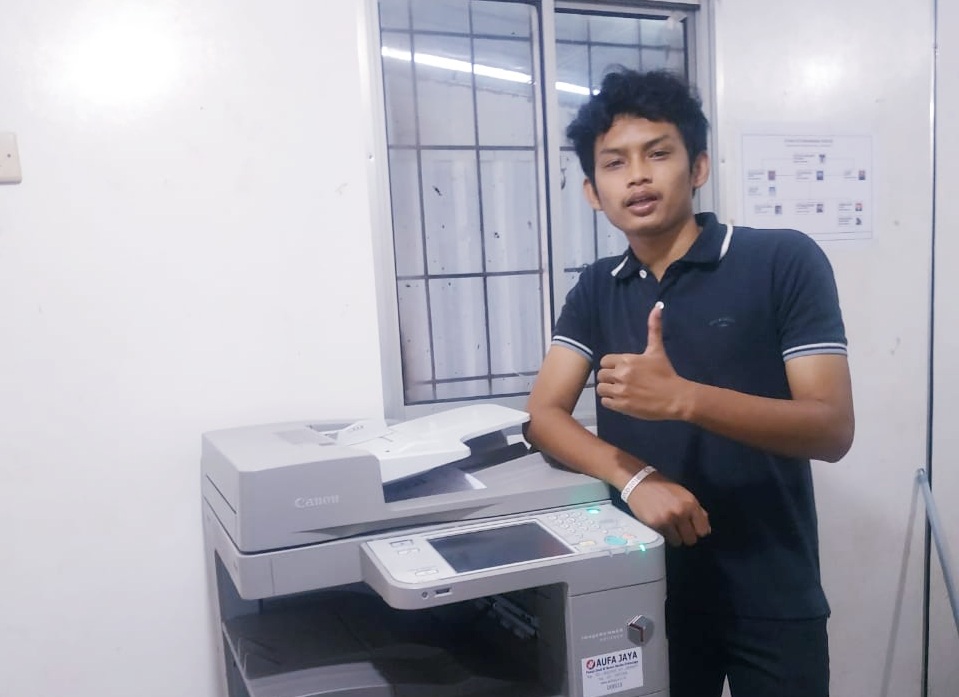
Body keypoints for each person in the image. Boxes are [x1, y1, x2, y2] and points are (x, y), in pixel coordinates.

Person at [524, 68, 854, 697]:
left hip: (771, 585)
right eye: (615, 163)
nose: (637, 176)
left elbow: (831, 428)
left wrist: (684, 399)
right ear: (593, 192)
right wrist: (636, 479)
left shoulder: (781, 260)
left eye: (658, 153)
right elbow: (543, 415)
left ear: (698, 166)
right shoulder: (597, 287)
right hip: (645, 582)